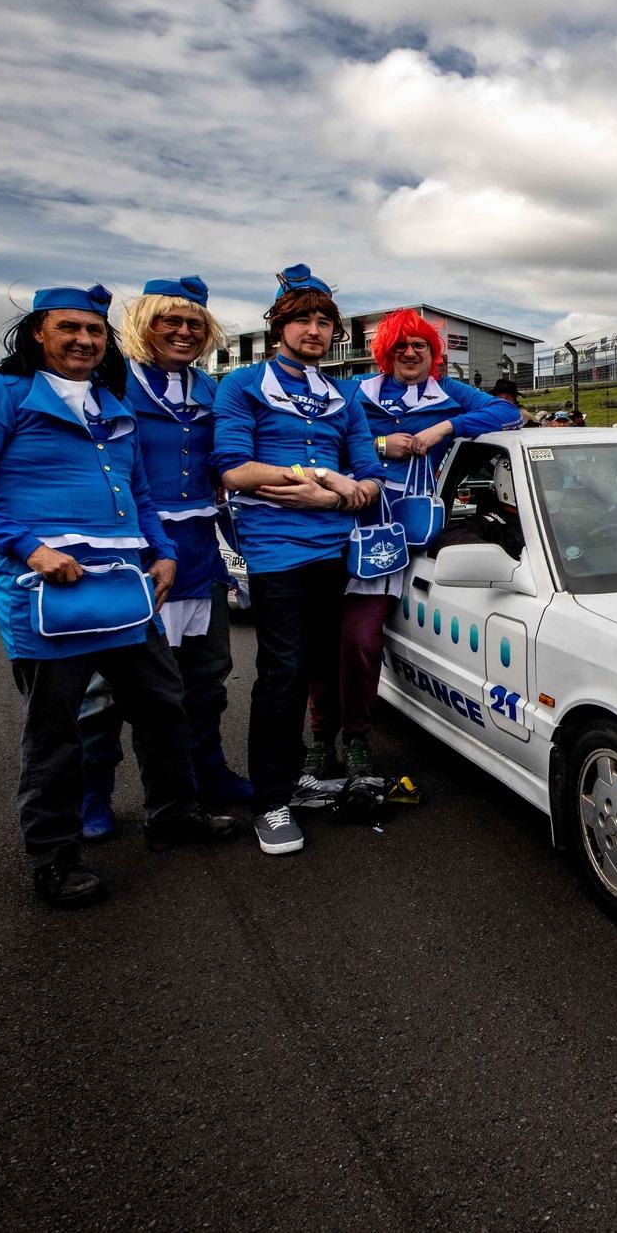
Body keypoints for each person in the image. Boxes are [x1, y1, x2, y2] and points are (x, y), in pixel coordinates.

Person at [0, 286, 241, 906]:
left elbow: (140, 494)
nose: (84, 341)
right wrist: (28, 547)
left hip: (127, 591)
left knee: (164, 709)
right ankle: (55, 858)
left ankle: (171, 815)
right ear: (38, 332)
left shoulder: (109, 402)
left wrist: (165, 552)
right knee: (56, 733)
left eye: (95, 332)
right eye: (69, 328)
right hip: (48, 598)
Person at [213, 264, 386, 855]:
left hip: (334, 550)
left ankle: (295, 778)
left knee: (317, 665)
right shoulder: (241, 385)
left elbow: (371, 479)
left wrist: (341, 493)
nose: (315, 330)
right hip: (273, 552)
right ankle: (271, 800)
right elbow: (235, 468)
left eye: (324, 321)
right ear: (278, 326)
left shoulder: (344, 395)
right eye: (303, 320)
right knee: (281, 674)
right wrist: (321, 478)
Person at [314, 308, 519, 800]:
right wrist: (382, 443)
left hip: (396, 541)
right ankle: (319, 739)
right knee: (321, 642)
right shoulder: (353, 392)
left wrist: (443, 429)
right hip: (334, 528)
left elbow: (507, 413)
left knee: (362, 643)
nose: (410, 353)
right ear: (384, 352)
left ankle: (357, 737)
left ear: (433, 353)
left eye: (420, 346)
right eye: (400, 346)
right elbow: (318, 440)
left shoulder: (448, 394)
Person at [73, 275, 247, 841]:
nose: (183, 331)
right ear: (143, 326)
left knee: (206, 678)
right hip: (130, 551)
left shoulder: (214, 389)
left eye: (195, 323)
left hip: (200, 549)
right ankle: (91, 795)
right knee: (103, 691)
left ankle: (207, 774)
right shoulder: (113, 385)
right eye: (169, 321)